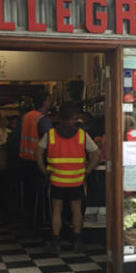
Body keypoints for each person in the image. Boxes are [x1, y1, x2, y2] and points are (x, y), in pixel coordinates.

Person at [35, 105, 100, 253]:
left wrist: (44, 170)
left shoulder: (50, 134)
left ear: (58, 118)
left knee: (56, 211)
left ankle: (56, 243)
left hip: (57, 179)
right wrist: (88, 170)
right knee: (76, 211)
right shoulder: (82, 134)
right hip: (76, 180)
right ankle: (77, 243)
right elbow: (96, 154)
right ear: (74, 118)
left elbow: (37, 153)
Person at [19, 90, 53, 231]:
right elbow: (50, 140)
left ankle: (30, 222)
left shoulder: (26, 116)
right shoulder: (42, 119)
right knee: (41, 196)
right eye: (50, 100)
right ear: (45, 101)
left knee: (30, 195)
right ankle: (41, 222)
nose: (51, 102)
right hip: (38, 161)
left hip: (24, 160)